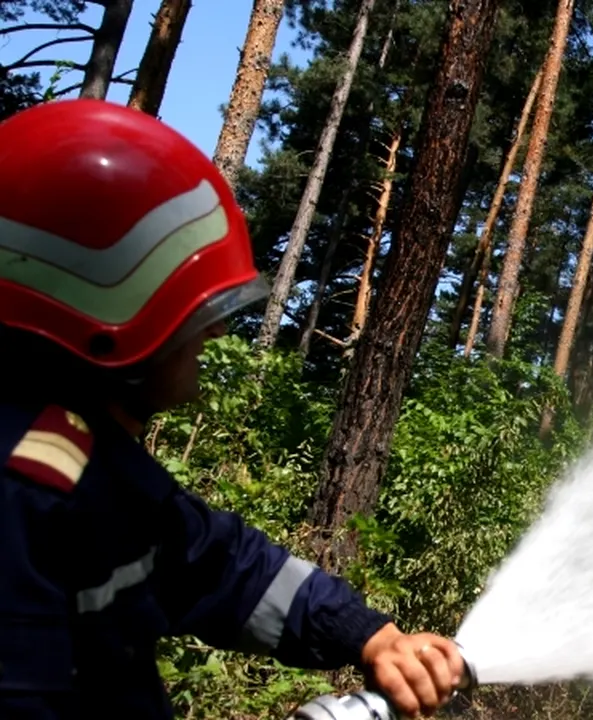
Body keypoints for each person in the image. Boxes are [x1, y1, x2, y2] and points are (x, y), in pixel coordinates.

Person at [0, 99, 464, 719]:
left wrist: (370, 636)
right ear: (110, 311)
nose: (213, 336)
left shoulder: (92, 480)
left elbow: (221, 565)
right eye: (194, 313)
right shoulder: (23, 504)